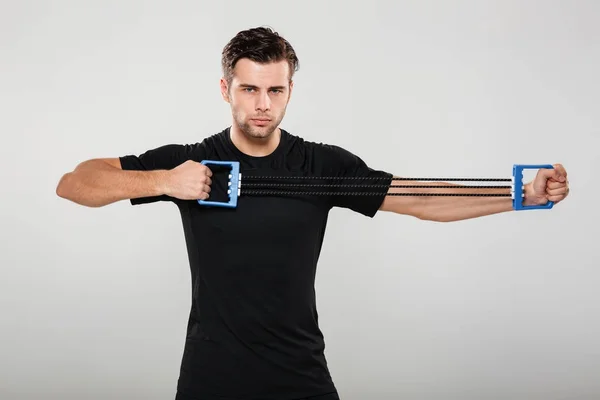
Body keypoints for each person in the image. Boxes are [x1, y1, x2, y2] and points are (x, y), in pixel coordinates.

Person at [55, 26, 570, 400]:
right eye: (249, 89)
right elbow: (75, 183)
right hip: (211, 376)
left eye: (274, 90)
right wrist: (166, 181)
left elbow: (415, 198)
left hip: (299, 375)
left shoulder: (321, 164)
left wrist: (523, 192)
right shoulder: (191, 161)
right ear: (225, 90)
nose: (262, 103)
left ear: (289, 92)